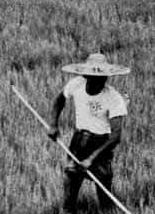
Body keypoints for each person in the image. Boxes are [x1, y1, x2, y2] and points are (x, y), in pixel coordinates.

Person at [50, 54, 129, 214]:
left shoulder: (114, 98)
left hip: (101, 146)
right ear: (86, 75)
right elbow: (59, 100)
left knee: (104, 195)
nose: (100, 81)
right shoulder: (76, 84)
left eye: (103, 77)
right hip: (78, 142)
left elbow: (116, 137)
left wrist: (91, 159)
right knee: (70, 185)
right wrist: (53, 125)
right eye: (95, 77)